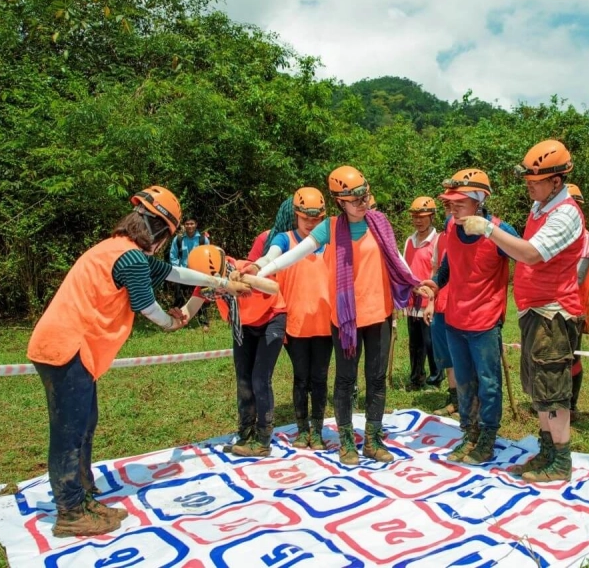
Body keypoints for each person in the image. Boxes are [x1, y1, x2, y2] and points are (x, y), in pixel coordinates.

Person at [26, 187, 245, 537]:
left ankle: (82, 497)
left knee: (83, 425)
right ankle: (69, 511)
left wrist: (216, 283)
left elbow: (175, 273)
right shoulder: (127, 257)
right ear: (158, 230)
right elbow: (147, 306)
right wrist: (172, 321)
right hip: (65, 348)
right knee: (70, 433)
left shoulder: (121, 252)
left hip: (74, 350)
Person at [252, 166, 435, 466]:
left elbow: (396, 259)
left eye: (364, 196)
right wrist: (261, 268)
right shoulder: (330, 228)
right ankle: (347, 442)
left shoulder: (379, 223)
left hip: (379, 313)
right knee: (346, 380)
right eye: (355, 199)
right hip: (346, 319)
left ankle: (373, 441)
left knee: (376, 380)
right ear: (340, 201)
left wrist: (417, 283)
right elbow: (291, 255)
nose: (363, 203)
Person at [460, 140, 584, 483]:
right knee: (539, 388)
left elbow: (530, 254)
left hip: (554, 314)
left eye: (535, 179)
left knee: (553, 389)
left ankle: (561, 461)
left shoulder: (566, 214)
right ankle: (547, 452)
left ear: (556, 181)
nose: (529, 185)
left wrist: (488, 230)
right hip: (535, 312)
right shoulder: (540, 207)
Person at [431, 169, 517, 465]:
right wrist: (436, 282)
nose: (452, 207)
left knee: (488, 383)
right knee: (464, 381)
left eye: (459, 202)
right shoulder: (449, 226)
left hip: (485, 323)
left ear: (479, 202)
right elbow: (449, 262)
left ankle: (488, 438)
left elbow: (527, 256)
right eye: (449, 202)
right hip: (455, 321)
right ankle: (469, 433)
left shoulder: (500, 230)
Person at [182, 245, 287, 457]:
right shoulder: (206, 282)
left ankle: (263, 439)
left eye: (219, 281)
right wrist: (171, 319)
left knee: (260, 379)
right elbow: (189, 310)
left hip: (271, 319)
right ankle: (245, 432)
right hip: (244, 326)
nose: (217, 288)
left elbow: (272, 288)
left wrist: (247, 280)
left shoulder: (244, 268)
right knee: (243, 380)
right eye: (212, 284)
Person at [255, 189, 333, 450]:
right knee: (301, 377)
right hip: (296, 324)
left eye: (316, 218)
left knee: (320, 379)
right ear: (296, 216)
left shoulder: (330, 241)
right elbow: (271, 255)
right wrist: (261, 264)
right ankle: (302, 430)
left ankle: (318, 430)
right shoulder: (285, 239)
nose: (311, 223)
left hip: (325, 324)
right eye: (305, 218)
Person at [567, 183, 589, 419]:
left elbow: (577, 277)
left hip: (574, 308)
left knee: (573, 358)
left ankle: (572, 405)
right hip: (555, 307)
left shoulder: (587, 239)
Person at [404, 197, 442, 390]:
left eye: (423, 216)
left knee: (431, 342)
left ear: (432, 217)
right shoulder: (409, 241)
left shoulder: (437, 241)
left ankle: (436, 379)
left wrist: (431, 296)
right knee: (415, 343)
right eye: (415, 216)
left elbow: (437, 272)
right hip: (412, 300)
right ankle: (416, 378)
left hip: (429, 300)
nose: (418, 220)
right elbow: (405, 269)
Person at [430, 197, 461, 418]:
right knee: (447, 356)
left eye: (453, 206)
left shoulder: (469, 234)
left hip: (460, 305)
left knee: (464, 355)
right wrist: (430, 302)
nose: (449, 212)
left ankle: (470, 401)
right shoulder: (441, 239)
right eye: (446, 207)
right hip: (441, 303)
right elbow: (436, 271)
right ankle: (454, 398)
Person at [169, 216, 211, 332]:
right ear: (184, 225)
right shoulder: (178, 239)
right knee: (179, 299)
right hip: (182, 274)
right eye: (187, 224)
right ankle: (176, 323)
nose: (189, 226)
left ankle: (204, 323)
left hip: (198, 274)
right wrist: (177, 270)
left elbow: (209, 256)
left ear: (196, 224)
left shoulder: (203, 240)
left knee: (201, 298)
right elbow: (173, 256)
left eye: (192, 223)